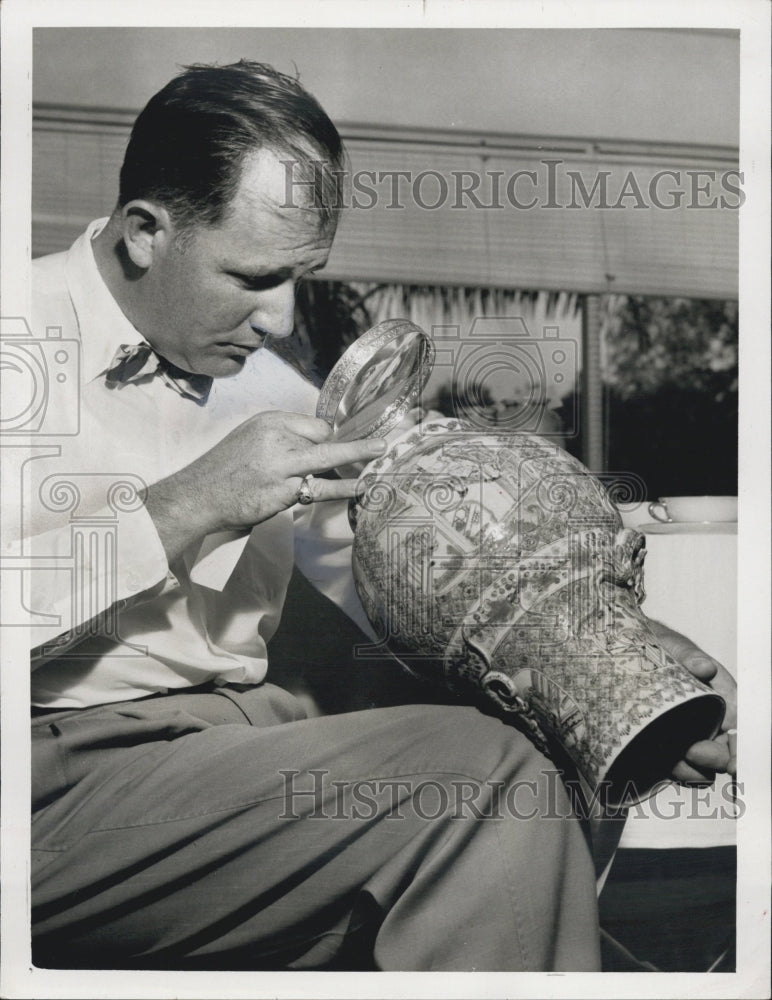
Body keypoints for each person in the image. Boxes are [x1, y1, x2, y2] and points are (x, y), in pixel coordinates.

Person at [26, 60, 736, 972]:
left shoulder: (268, 389)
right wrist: (186, 505)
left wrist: (587, 646)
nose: (282, 319)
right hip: (51, 773)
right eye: (253, 276)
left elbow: (385, 593)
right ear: (145, 232)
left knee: (553, 739)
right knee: (481, 781)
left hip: (238, 736)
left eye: (303, 277)